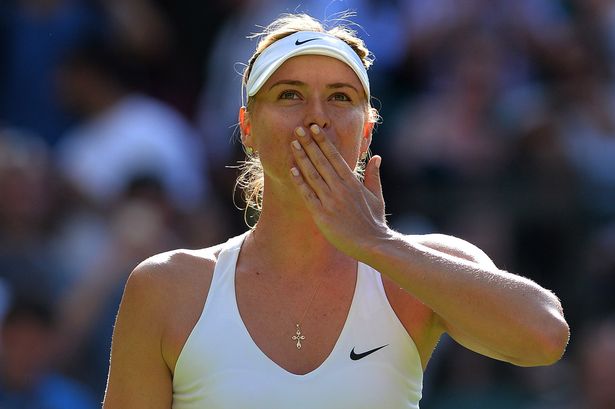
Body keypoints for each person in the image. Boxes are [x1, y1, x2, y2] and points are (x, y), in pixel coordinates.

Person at [102, 13, 569, 409]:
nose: (317, 116)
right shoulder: (166, 286)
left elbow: (545, 336)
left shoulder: (413, 267)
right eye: (289, 95)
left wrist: (374, 242)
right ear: (248, 127)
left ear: (366, 133)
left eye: (341, 97)